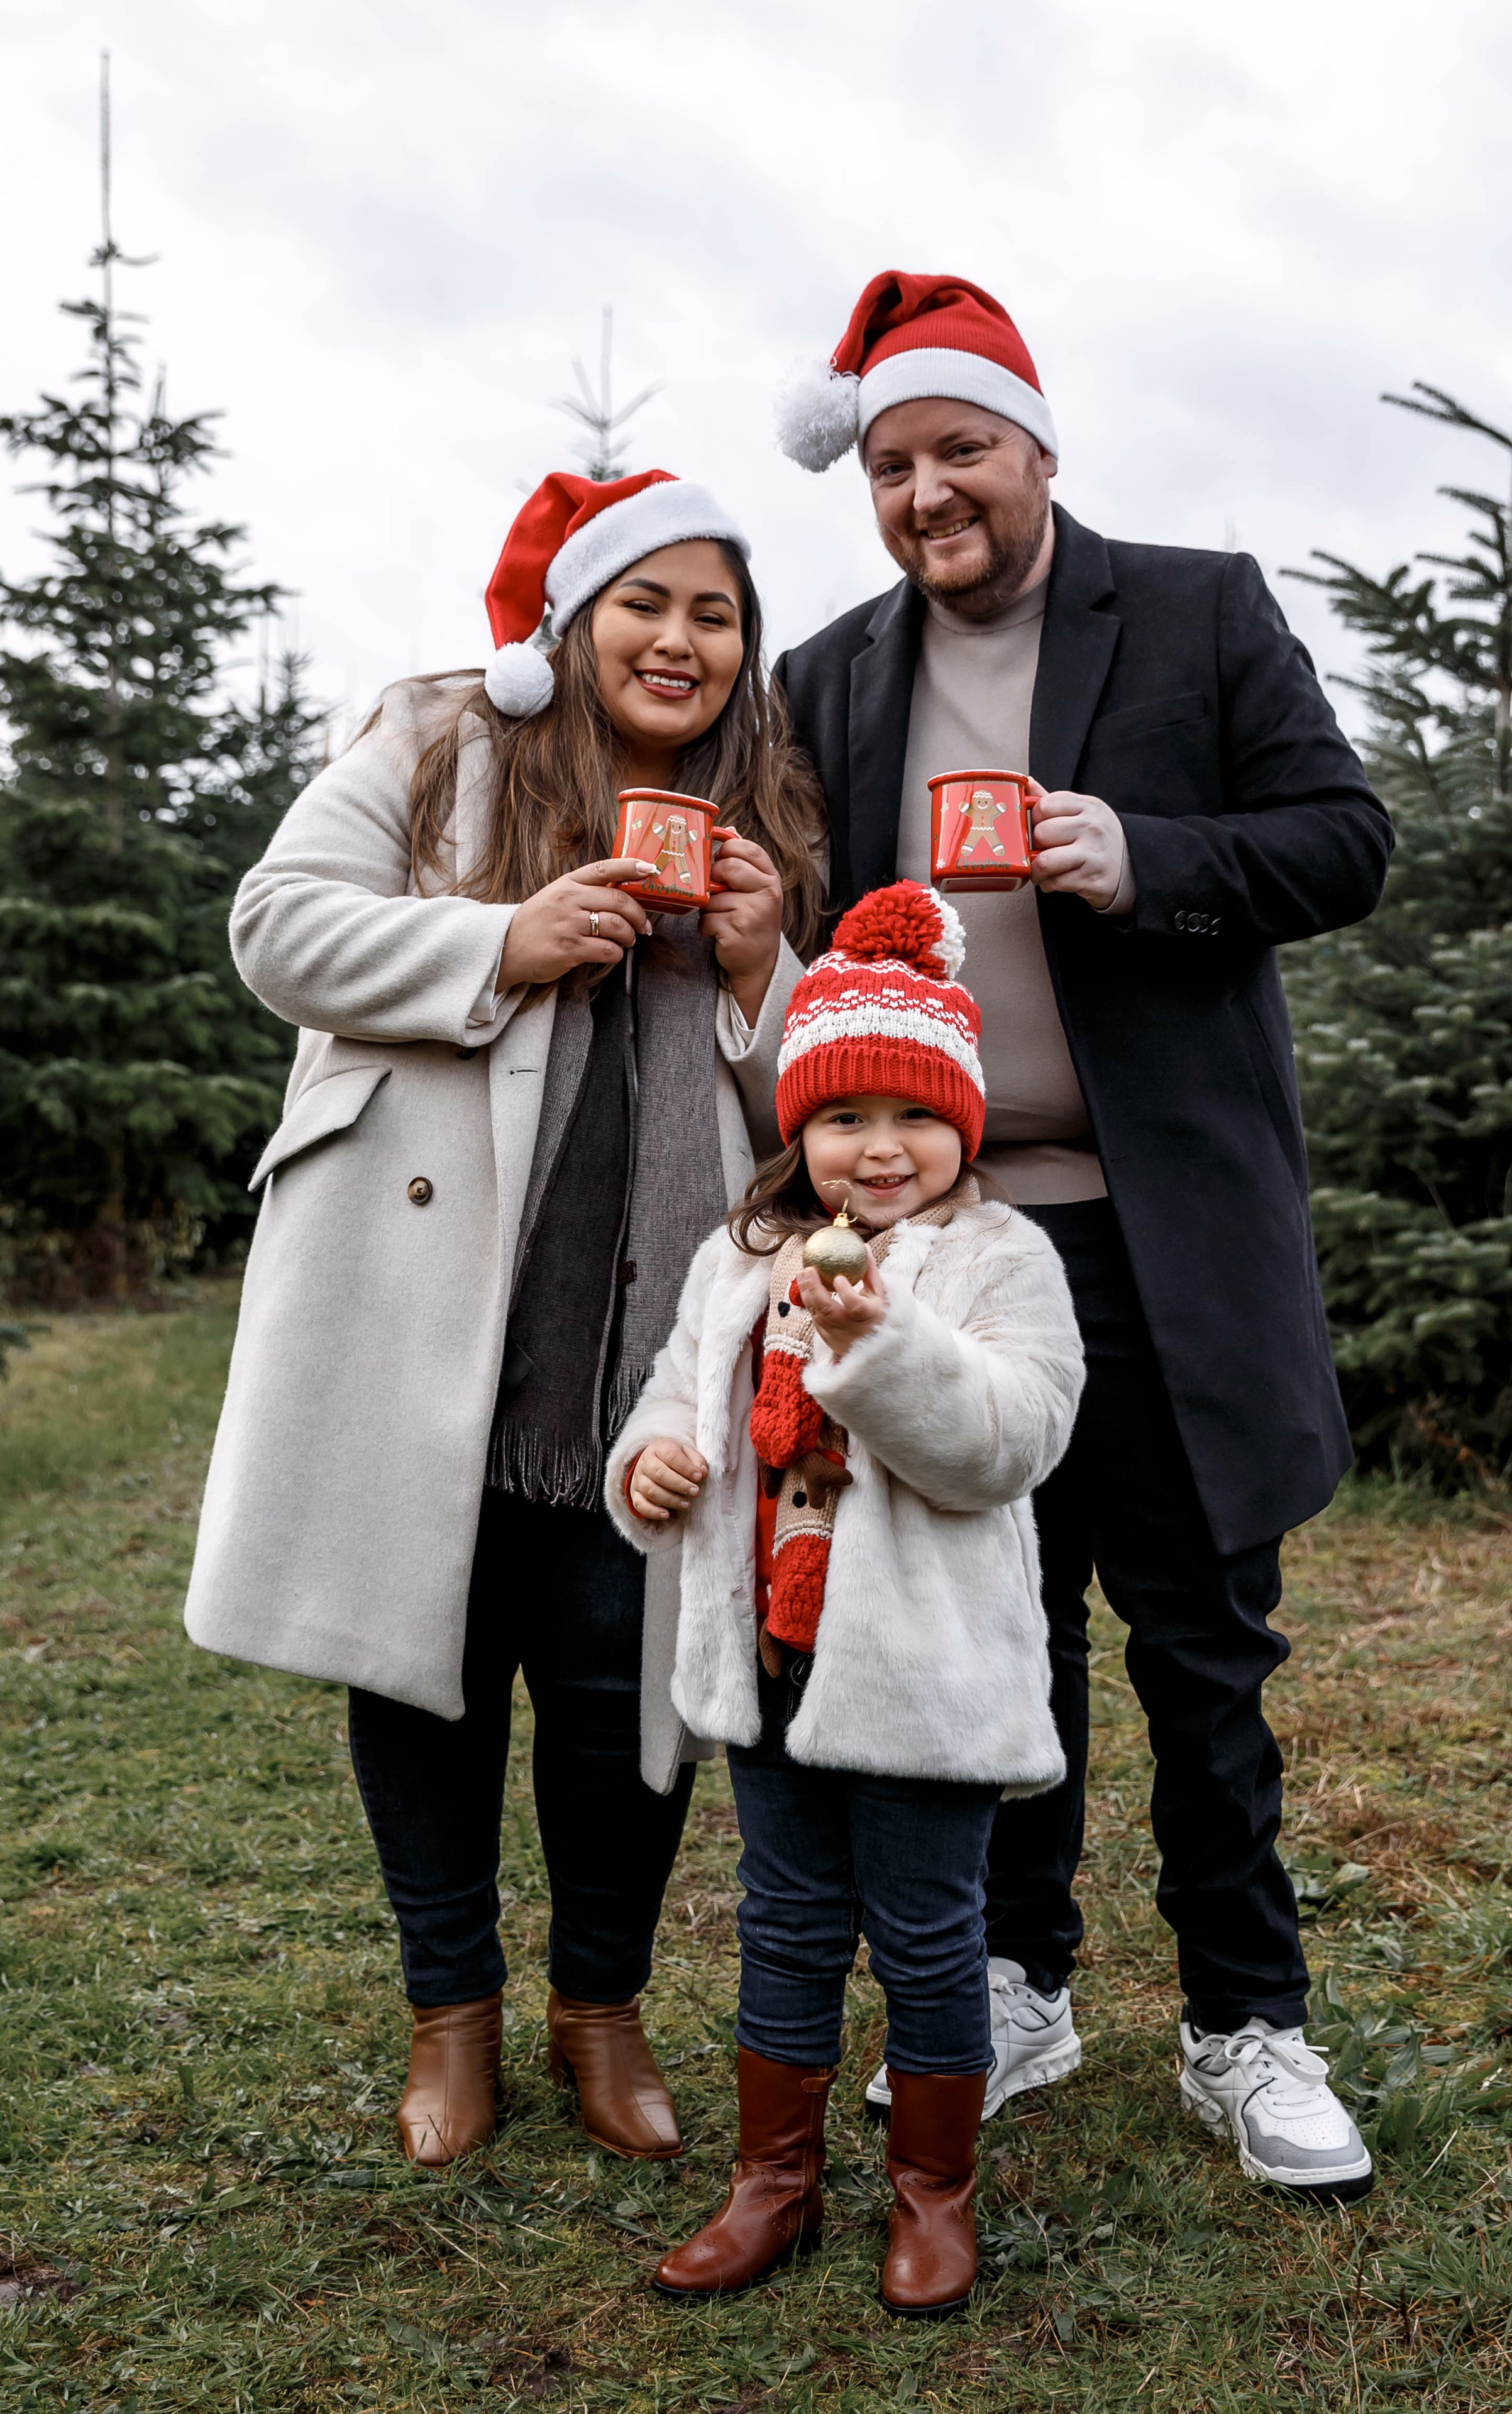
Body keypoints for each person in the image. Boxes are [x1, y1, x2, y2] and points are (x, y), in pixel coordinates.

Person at [771, 273, 1393, 2202]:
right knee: (994, 1638)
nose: (927, 492)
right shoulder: (832, 676)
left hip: (1163, 1237)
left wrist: (1150, 857)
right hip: (952, 1249)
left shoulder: (1200, 610)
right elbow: (801, 929)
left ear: (1037, 449)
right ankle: (1019, 1983)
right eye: (891, 466)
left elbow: (1346, 839)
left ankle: (1247, 2023)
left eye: (960, 448)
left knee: (1201, 1646)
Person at [185, 468, 825, 2169]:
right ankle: (450, 2016)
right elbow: (275, 927)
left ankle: (599, 2009)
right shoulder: (443, 741)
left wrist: (763, 973)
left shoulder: (761, 808)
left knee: (632, 1678)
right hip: (433, 1299)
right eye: (645, 604)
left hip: (653, 1338)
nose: (679, 641)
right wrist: (502, 941)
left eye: (715, 615)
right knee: (433, 1666)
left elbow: (824, 1118)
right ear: (574, 623)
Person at [605, 882, 1082, 2315]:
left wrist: (880, 1346)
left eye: (914, 1115)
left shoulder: (1001, 1260)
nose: (879, 1148)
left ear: (965, 1123)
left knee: (930, 1933)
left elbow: (1005, 1443)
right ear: (797, 1127)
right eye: (844, 1117)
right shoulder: (739, 1260)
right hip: (772, 1654)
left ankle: (933, 2194)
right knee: (786, 1919)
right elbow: (673, 1396)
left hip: (925, 1673)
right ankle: (774, 2182)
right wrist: (652, 1460)